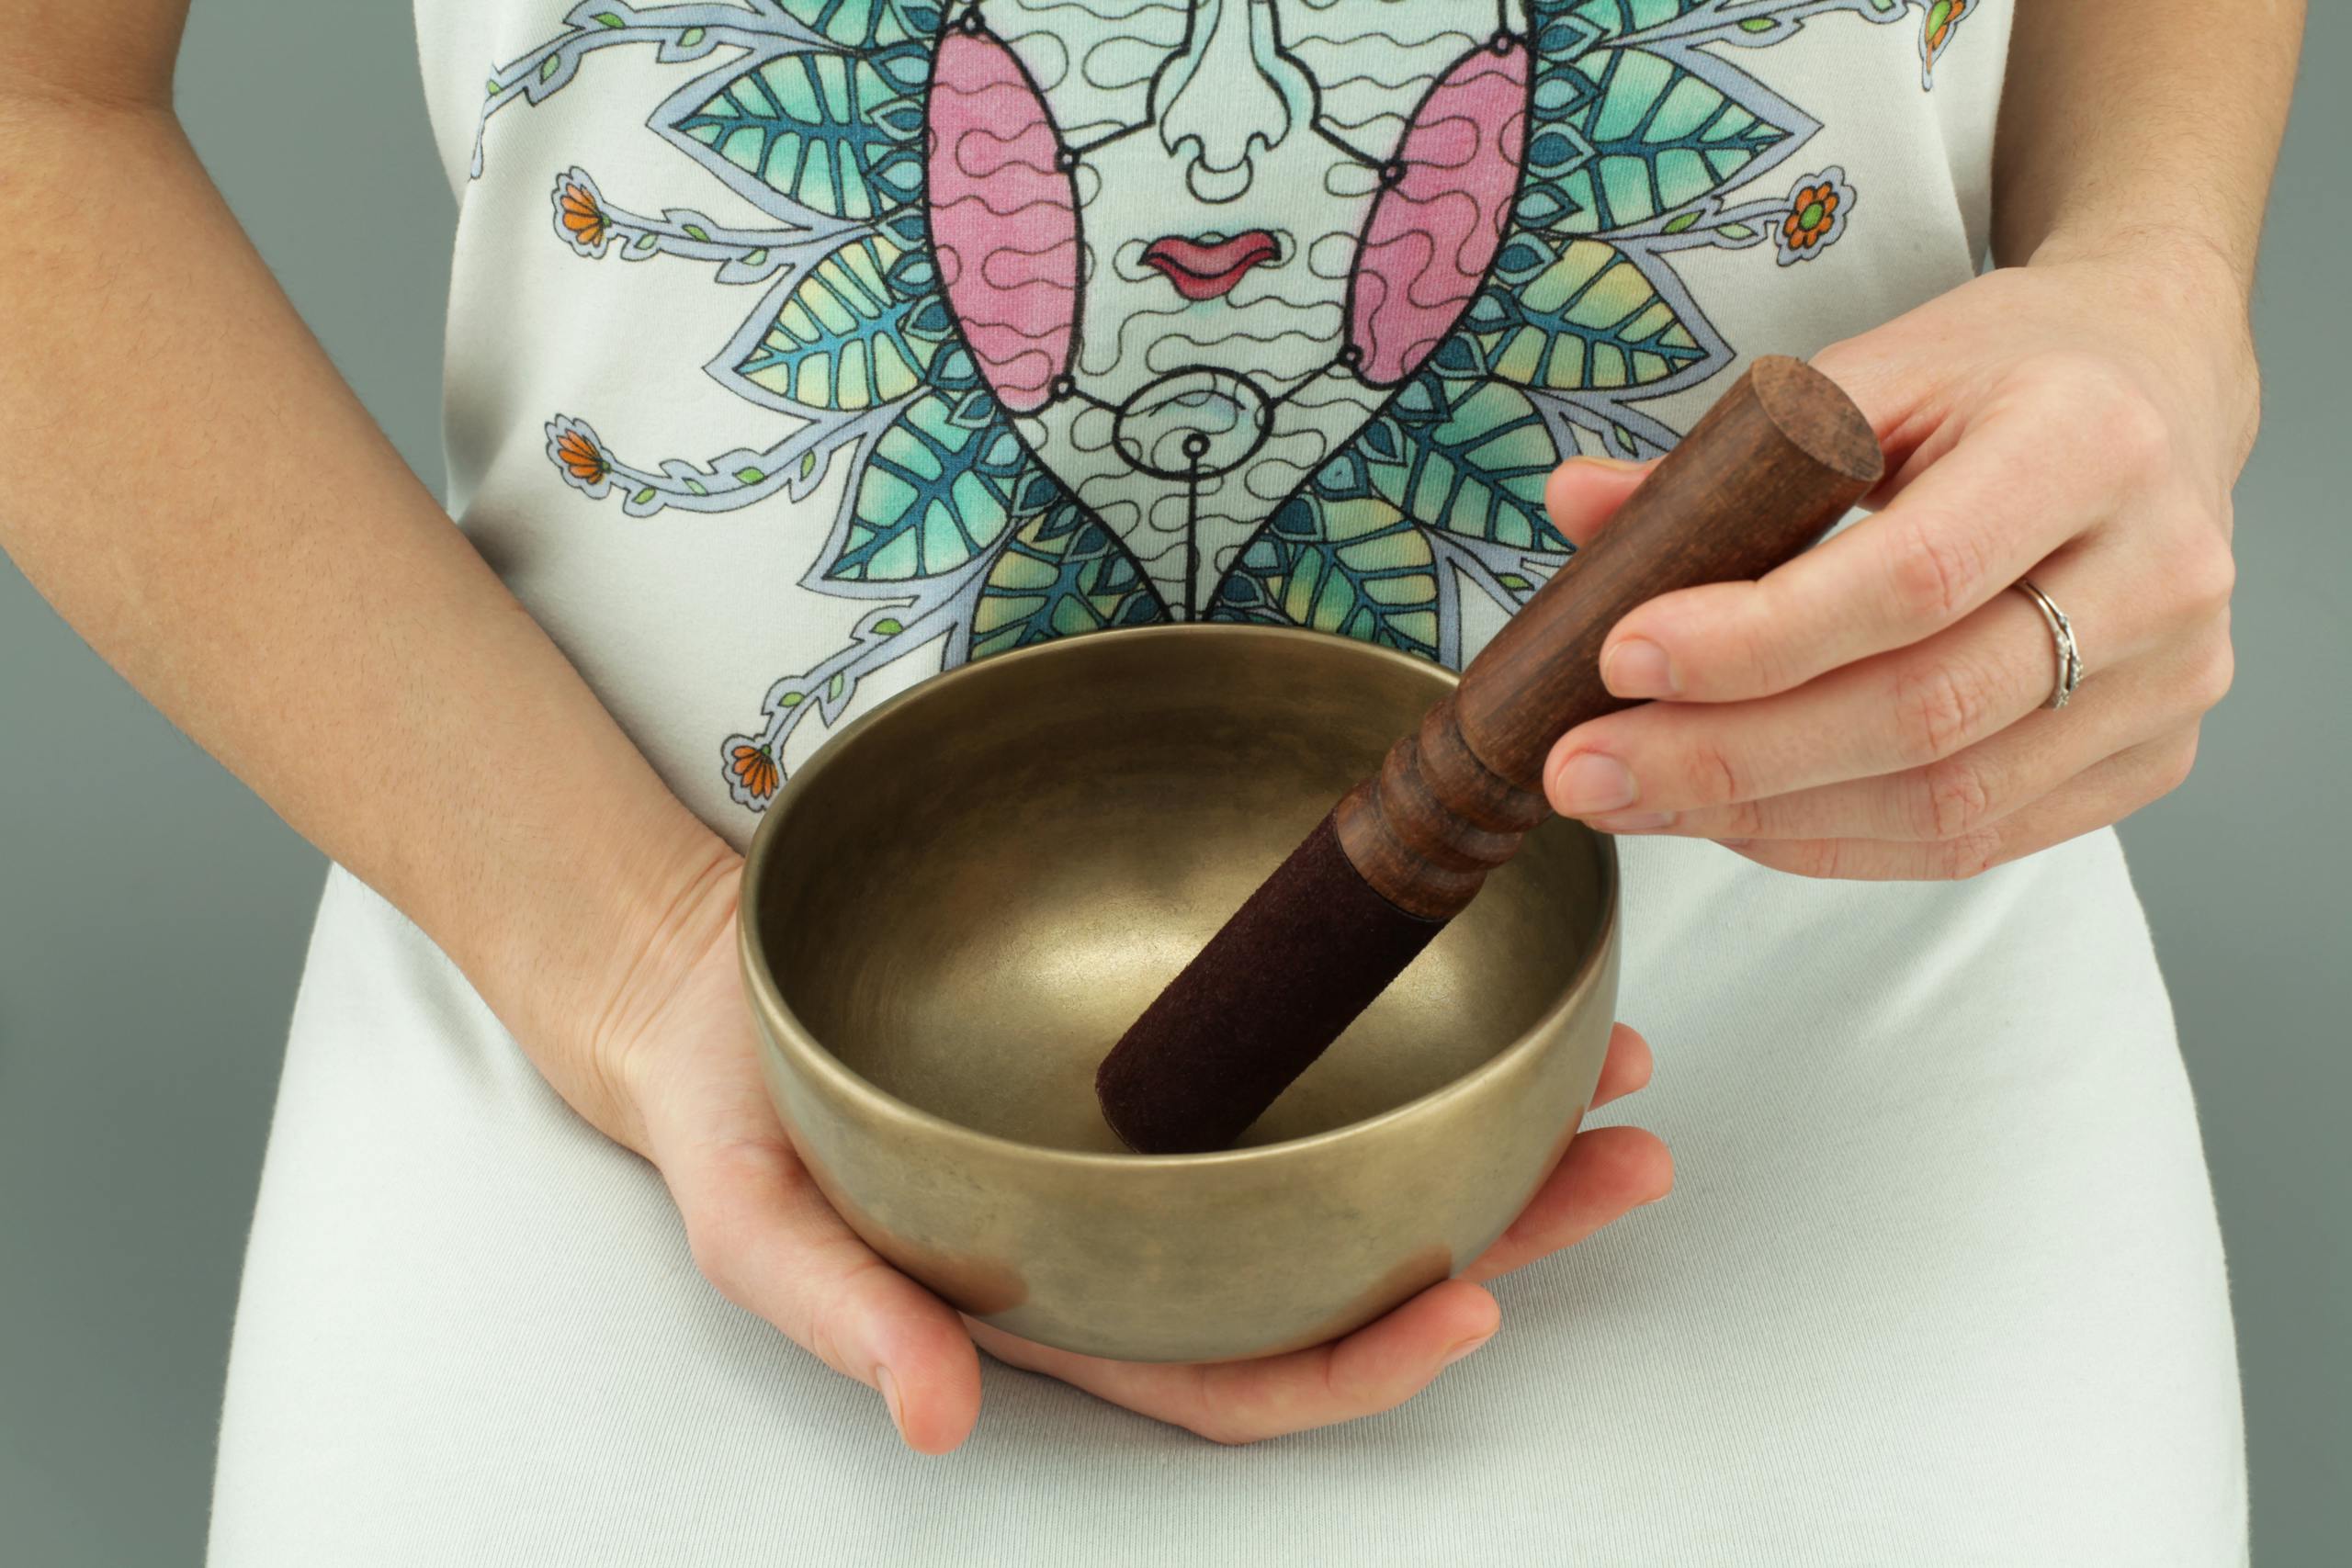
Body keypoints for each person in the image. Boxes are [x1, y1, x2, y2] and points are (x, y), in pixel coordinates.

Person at [0, 0, 2301, 1561]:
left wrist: (2152, 274)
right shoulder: (624, 986)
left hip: (1811, 1060)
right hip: (620, 1042)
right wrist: (635, 955)